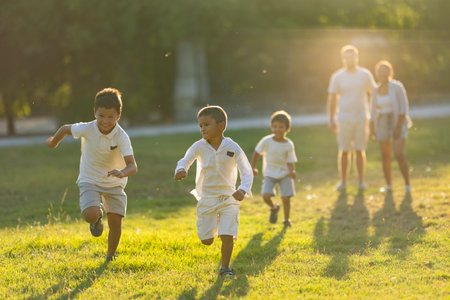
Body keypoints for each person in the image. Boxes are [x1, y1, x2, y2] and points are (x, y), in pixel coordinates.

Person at [46, 88, 138, 261]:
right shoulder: (87, 128)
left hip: (114, 183)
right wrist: (53, 143)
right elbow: (66, 128)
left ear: (118, 116)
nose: (105, 121)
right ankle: (96, 219)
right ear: (95, 112)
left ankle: (110, 256)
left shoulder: (121, 136)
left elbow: (133, 166)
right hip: (90, 179)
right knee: (90, 214)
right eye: (101, 115)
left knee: (116, 223)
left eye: (111, 117)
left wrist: (122, 172)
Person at [174, 105, 253, 278]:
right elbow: (185, 160)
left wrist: (243, 189)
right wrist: (181, 169)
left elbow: (246, 171)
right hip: (207, 198)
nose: (202, 128)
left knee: (227, 234)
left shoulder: (232, 147)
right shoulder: (198, 146)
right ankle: (215, 224)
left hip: (229, 197)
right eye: (200, 125)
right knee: (207, 240)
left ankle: (225, 268)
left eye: (206, 124)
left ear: (221, 126)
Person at [327, 44, 376, 191]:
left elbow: (374, 93)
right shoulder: (337, 76)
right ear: (343, 59)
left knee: (360, 150)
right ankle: (343, 182)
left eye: (352, 57)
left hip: (362, 117)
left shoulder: (365, 74)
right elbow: (333, 98)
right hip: (343, 118)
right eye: (347, 57)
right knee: (344, 150)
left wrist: (374, 114)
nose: (350, 60)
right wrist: (331, 119)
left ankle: (361, 181)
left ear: (357, 57)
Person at [370, 60, 412, 193]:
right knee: (385, 155)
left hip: (397, 120)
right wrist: (373, 129)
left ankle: (407, 184)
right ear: (377, 74)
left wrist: (398, 127)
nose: (382, 74)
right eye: (379, 71)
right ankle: (389, 185)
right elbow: (372, 111)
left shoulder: (397, 87)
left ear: (390, 72)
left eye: (385, 71)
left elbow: (403, 108)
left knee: (399, 153)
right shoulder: (375, 90)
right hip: (382, 122)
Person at [251, 110, 297, 227]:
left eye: (281, 127)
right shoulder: (266, 141)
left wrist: (291, 171)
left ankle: (286, 220)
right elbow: (256, 153)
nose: (278, 129)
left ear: (287, 128)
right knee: (266, 196)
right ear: (271, 127)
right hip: (269, 174)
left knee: (286, 198)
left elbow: (290, 160)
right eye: (275, 126)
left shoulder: (289, 144)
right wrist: (253, 168)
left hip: (285, 174)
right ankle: (274, 207)